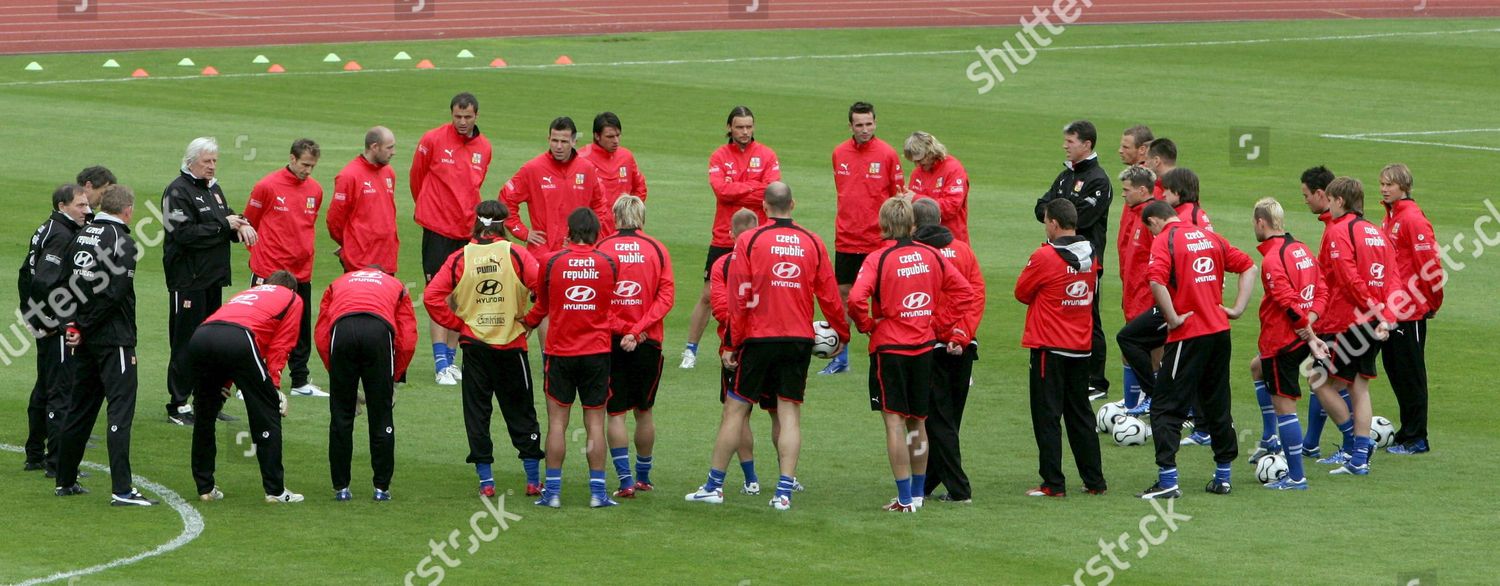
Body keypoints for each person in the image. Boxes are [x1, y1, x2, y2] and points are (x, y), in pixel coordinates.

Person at [685, 182, 848, 511]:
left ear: (765, 207)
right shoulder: (812, 241)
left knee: (736, 409)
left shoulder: (750, 239)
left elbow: (741, 295)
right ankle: (784, 492)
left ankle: (714, 486)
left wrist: (731, 341)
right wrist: (842, 334)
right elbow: (829, 295)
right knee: (789, 413)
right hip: (798, 340)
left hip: (759, 338)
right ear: (793, 204)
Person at [849, 197, 973, 511]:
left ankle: (904, 497)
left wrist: (867, 325)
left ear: (884, 225)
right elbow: (964, 293)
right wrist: (937, 323)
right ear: (912, 225)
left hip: (890, 348)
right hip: (923, 348)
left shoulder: (878, 259)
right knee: (918, 422)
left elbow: (855, 298)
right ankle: (918, 494)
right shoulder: (932, 255)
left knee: (894, 424)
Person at [423, 201, 546, 498]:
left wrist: (459, 323)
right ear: (502, 223)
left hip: (474, 347)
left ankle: (486, 483)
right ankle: (532, 481)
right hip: (511, 345)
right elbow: (546, 289)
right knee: (522, 413)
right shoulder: (517, 253)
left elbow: (431, 298)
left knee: (477, 414)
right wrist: (529, 321)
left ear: (477, 223)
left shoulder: (459, 257)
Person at [1136, 200, 1257, 499]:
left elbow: (1155, 281)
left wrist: (1173, 318)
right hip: (1219, 332)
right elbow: (1249, 266)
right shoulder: (1209, 236)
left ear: (1154, 222)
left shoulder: (1166, 240)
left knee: (1165, 407)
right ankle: (1223, 477)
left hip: (1188, 335)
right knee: (1217, 403)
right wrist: (1238, 308)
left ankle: (1168, 481)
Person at [54, 185, 155, 506]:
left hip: (85, 340)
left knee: (80, 409)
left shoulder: (81, 235)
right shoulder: (122, 242)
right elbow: (114, 294)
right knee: (120, 413)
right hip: (114, 341)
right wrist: (83, 325)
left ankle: (65, 480)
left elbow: (63, 285)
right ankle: (123, 490)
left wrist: (72, 324)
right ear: (127, 210)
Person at [522, 208, 619, 509]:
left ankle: (552, 493)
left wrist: (523, 324)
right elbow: (609, 306)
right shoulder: (609, 263)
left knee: (557, 424)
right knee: (594, 424)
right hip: (596, 353)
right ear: (595, 232)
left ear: (569, 230)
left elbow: (541, 309)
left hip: (560, 353)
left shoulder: (551, 262)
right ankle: (597, 493)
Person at [186, 271, 305, 503]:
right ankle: (275, 491)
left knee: (204, 414)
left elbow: (226, 331)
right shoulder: (292, 299)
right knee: (267, 410)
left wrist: (224, 381)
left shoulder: (248, 293)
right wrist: (275, 387)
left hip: (202, 336)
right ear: (291, 289)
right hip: (238, 338)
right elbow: (281, 344)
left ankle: (205, 488)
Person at [164, 137, 257, 426]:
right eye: (207, 161)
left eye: (215, 161)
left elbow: (222, 221)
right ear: (191, 161)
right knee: (186, 343)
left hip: (212, 279)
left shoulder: (213, 189)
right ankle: (178, 405)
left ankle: (207, 402)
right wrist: (223, 225)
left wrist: (239, 224)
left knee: (211, 343)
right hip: (188, 280)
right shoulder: (176, 192)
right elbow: (183, 234)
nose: (212, 166)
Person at [1309, 177, 1399, 476]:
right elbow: (1393, 277)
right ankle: (1359, 458)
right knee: (1358, 387)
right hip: (1374, 323)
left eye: (1331, 201)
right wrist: (1387, 314)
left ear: (1339, 201)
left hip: (1345, 321)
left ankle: (1353, 443)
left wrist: (1373, 306)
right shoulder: (1376, 231)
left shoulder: (1338, 231)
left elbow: (1348, 278)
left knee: (1318, 381)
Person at [1016, 199, 1106, 498]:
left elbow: (1022, 292)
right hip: (1081, 346)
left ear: (1053, 223)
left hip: (1049, 347)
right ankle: (1094, 481)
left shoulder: (1045, 257)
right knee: (1081, 415)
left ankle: (1053, 483)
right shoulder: (1092, 253)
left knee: (1047, 416)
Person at [680, 106, 780, 369]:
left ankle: (761, 345)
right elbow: (721, 191)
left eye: (749, 127)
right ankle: (690, 350)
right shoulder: (719, 156)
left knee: (761, 293)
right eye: (739, 127)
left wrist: (739, 190)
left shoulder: (767, 154)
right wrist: (752, 189)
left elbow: (770, 192)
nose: (745, 132)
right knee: (709, 295)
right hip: (724, 238)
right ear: (729, 128)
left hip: (758, 239)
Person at [317, 266, 417, 501]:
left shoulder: (338, 282)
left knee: (341, 416)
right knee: (381, 415)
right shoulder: (397, 286)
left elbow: (322, 333)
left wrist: (337, 376)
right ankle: (381, 488)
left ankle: (341, 488)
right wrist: (395, 377)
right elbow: (408, 337)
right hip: (378, 332)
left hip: (342, 331)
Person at [412, 92, 492, 385]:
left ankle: (451, 358)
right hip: (436, 229)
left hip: (466, 231)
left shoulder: (484, 147)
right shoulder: (432, 139)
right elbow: (417, 178)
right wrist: (429, 209)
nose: (461, 122)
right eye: (457, 116)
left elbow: (475, 185)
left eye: (467, 117)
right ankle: (439, 362)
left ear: (476, 116)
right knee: (437, 294)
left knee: (463, 294)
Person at [597, 195, 674, 497]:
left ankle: (625, 481)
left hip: (610, 342)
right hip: (647, 342)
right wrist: (639, 331)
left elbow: (597, 300)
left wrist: (623, 330)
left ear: (615, 218)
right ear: (641, 218)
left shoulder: (602, 248)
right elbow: (666, 297)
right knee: (644, 411)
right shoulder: (657, 249)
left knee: (615, 412)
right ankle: (644, 477)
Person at [1249, 197, 1328, 490]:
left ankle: (1296, 476)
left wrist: (1308, 332)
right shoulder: (1302, 249)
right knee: (1256, 368)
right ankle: (1270, 438)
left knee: (1285, 407)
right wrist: (1313, 323)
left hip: (1281, 342)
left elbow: (1288, 304)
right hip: (1300, 338)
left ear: (1261, 222)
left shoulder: (1272, 260)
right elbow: (1322, 290)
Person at [912, 197, 985, 504]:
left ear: (915, 225)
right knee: (948, 421)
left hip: (934, 346)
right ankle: (927, 483)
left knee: (937, 422)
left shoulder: (918, 255)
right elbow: (976, 295)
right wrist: (962, 333)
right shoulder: (963, 250)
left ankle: (959, 489)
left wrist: (944, 333)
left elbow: (920, 300)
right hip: (963, 347)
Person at [1034, 120, 1112, 400]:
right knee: (1064, 312)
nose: (1065, 146)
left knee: (1090, 316)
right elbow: (1040, 206)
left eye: (1071, 141)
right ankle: (1071, 370)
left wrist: (1058, 211)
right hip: (1058, 259)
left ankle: (1096, 380)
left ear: (1087, 144)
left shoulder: (1099, 180)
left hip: (1087, 261)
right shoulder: (1065, 176)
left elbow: (1082, 219)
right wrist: (1059, 211)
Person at [708, 209, 785, 496]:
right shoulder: (772, 259)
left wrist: (735, 338)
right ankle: (786, 478)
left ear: (731, 235)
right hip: (772, 343)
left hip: (738, 348)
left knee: (737, 414)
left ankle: (751, 479)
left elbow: (721, 309)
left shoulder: (723, 265)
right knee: (781, 413)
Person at [825, 101, 904, 375]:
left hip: (878, 241)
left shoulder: (887, 154)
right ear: (850, 126)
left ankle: (885, 353)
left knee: (882, 300)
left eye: (869, 124)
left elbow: (899, 198)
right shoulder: (839, 153)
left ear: (875, 122)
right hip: (846, 238)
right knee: (844, 296)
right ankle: (841, 357)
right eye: (859, 125)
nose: (864, 129)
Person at [244, 138, 326, 398]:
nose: (308, 171)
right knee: (261, 328)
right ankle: (251, 382)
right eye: (304, 164)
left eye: (312, 166)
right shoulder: (266, 186)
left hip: (301, 271)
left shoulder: (315, 190)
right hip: (270, 272)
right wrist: (261, 258)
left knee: (300, 328)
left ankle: (300, 380)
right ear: (291, 159)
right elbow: (249, 224)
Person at [19, 184, 90, 476]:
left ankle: (34, 453)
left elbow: (26, 273)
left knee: (45, 386)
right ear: (63, 206)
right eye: (81, 206)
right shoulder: (62, 236)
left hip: (42, 318)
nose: (88, 211)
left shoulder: (49, 228)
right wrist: (54, 319)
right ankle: (57, 461)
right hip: (54, 324)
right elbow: (45, 281)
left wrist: (30, 313)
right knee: (61, 390)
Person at [1377, 163, 1442, 455]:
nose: (1383, 188)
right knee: (1396, 372)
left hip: (1411, 310)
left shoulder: (1413, 219)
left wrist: (1432, 303)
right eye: (1382, 184)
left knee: (1411, 374)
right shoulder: (1390, 217)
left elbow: (1430, 266)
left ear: (1404, 186)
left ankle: (1418, 437)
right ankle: (1407, 432)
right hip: (1392, 310)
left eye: (1389, 184)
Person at [1297, 165, 1351, 459]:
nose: (1304, 200)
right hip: (1341, 316)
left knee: (1327, 381)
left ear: (1323, 195)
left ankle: (1354, 446)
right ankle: (1311, 443)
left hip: (1338, 318)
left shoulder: (1336, 230)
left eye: (1306, 195)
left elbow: (1340, 279)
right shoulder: (1340, 226)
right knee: (1328, 380)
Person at [501, 116, 612, 259]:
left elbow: (600, 205)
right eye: (555, 140)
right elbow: (506, 200)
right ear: (549, 140)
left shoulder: (587, 169)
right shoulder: (533, 169)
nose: (558, 146)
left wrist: (587, 236)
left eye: (564, 141)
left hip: (577, 253)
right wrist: (523, 232)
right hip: (542, 255)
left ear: (574, 141)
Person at [1112, 165, 1158, 417]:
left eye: (1126, 190)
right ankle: (1133, 405)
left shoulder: (1152, 218)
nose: (1123, 194)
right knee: (1131, 347)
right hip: (1132, 293)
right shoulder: (1135, 211)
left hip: (1146, 296)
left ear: (1142, 190)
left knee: (1141, 346)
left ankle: (1153, 399)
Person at [328, 127, 400, 275]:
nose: (394, 152)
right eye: (389, 148)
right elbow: (335, 221)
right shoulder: (349, 176)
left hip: (387, 260)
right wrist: (350, 243)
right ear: (374, 147)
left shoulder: (389, 172)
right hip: (360, 262)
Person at [580, 111, 649, 227]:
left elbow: (640, 187)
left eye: (618, 135)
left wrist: (631, 213)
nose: (616, 141)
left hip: (622, 228)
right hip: (594, 229)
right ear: (597, 136)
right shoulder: (582, 159)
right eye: (610, 137)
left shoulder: (626, 157)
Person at [902, 131, 969, 243]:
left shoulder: (953, 169)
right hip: (923, 241)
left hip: (949, 242)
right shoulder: (917, 173)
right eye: (914, 162)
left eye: (920, 160)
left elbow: (950, 207)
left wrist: (915, 199)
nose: (918, 165)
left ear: (931, 152)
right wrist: (903, 201)